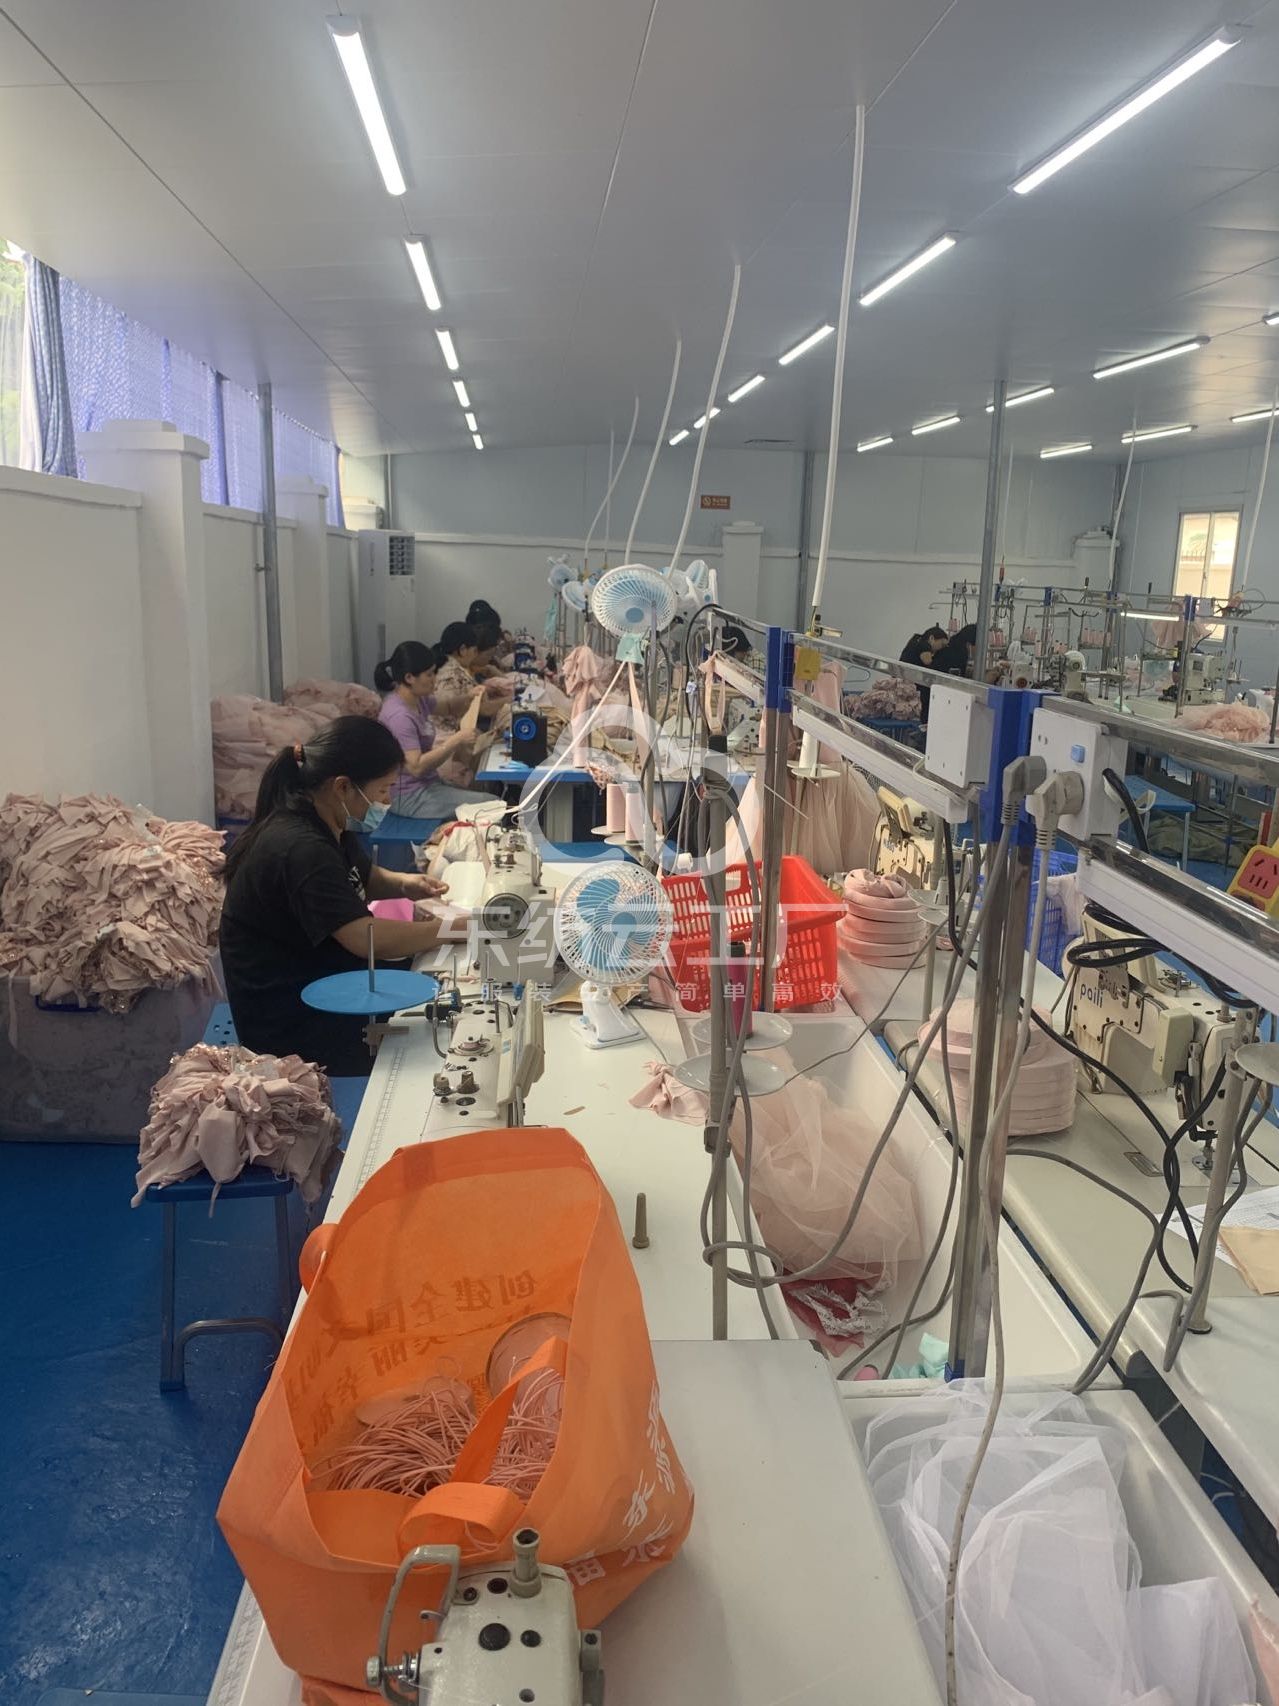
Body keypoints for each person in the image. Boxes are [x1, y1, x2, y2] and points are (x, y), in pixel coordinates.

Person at [219, 717, 452, 1078]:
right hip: (291, 1025)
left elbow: (362, 877)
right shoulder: (301, 847)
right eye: (382, 790)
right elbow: (364, 936)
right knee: (435, 1043)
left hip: (321, 979)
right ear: (343, 787)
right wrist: (452, 929)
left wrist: (405, 884)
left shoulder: (325, 820)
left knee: (439, 998)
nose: (387, 801)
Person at [375, 640, 493, 818]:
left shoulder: (418, 699)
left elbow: (448, 707)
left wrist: (470, 696)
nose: (434, 679)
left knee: (486, 795)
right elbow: (416, 767)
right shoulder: (399, 716)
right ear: (409, 678)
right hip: (407, 796)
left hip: (428, 784)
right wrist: (456, 740)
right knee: (492, 805)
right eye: (429, 675)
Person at [434, 621, 511, 783]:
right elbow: (484, 709)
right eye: (474, 650)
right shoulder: (454, 673)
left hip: (451, 739)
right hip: (451, 745)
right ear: (463, 650)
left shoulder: (449, 669)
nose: (475, 655)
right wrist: (511, 699)